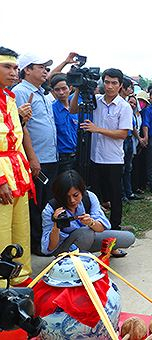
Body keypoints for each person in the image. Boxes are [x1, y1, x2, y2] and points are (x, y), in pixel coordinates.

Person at [70, 68, 133, 231]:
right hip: (93, 157)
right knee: (95, 195)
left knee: (115, 195)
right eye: (106, 82)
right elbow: (73, 110)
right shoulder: (95, 100)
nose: (110, 86)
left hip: (113, 158)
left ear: (120, 85)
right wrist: (78, 89)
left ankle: (115, 227)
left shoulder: (124, 106)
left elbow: (123, 134)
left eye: (114, 83)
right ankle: (96, 225)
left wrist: (97, 129)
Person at [13, 52, 58, 255]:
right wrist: (32, 158)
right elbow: (22, 128)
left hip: (50, 156)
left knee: (48, 201)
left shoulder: (40, 92)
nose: (45, 71)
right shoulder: (21, 92)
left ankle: (46, 240)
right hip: (37, 159)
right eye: (41, 67)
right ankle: (36, 243)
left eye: (46, 68)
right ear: (27, 70)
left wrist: (65, 62)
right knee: (36, 204)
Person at [0, 46, 35, 286]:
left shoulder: (10, 98)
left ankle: (20, 280)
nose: (14, 72)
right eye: (7, 67)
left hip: (18, 171)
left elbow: (16, 138)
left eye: (15, 68)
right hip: (3, 173)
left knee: (21, 227)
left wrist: (27, 170)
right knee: (1, 231)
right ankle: (2, 284)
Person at [41, 170, 135, 256]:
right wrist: (56, 225)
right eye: (66, 197)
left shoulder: (89, 197)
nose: (72, 200)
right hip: (64, 248)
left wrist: (91, 222)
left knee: (128, 238)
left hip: (88, 239)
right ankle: (70, 260)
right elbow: (48, 248)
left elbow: (102, 227)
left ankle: (101, 250)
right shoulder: (50, 209)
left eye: (75, 195)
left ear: (82, 191)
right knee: (86, 233)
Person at [50, 74, 78, 173]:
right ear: (53, 91)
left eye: (64, 88)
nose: (61, 92)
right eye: (57, 90)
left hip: (78, 155)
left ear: (70, 88)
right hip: (63, 157)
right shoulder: (51, 109)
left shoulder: (76, 107)